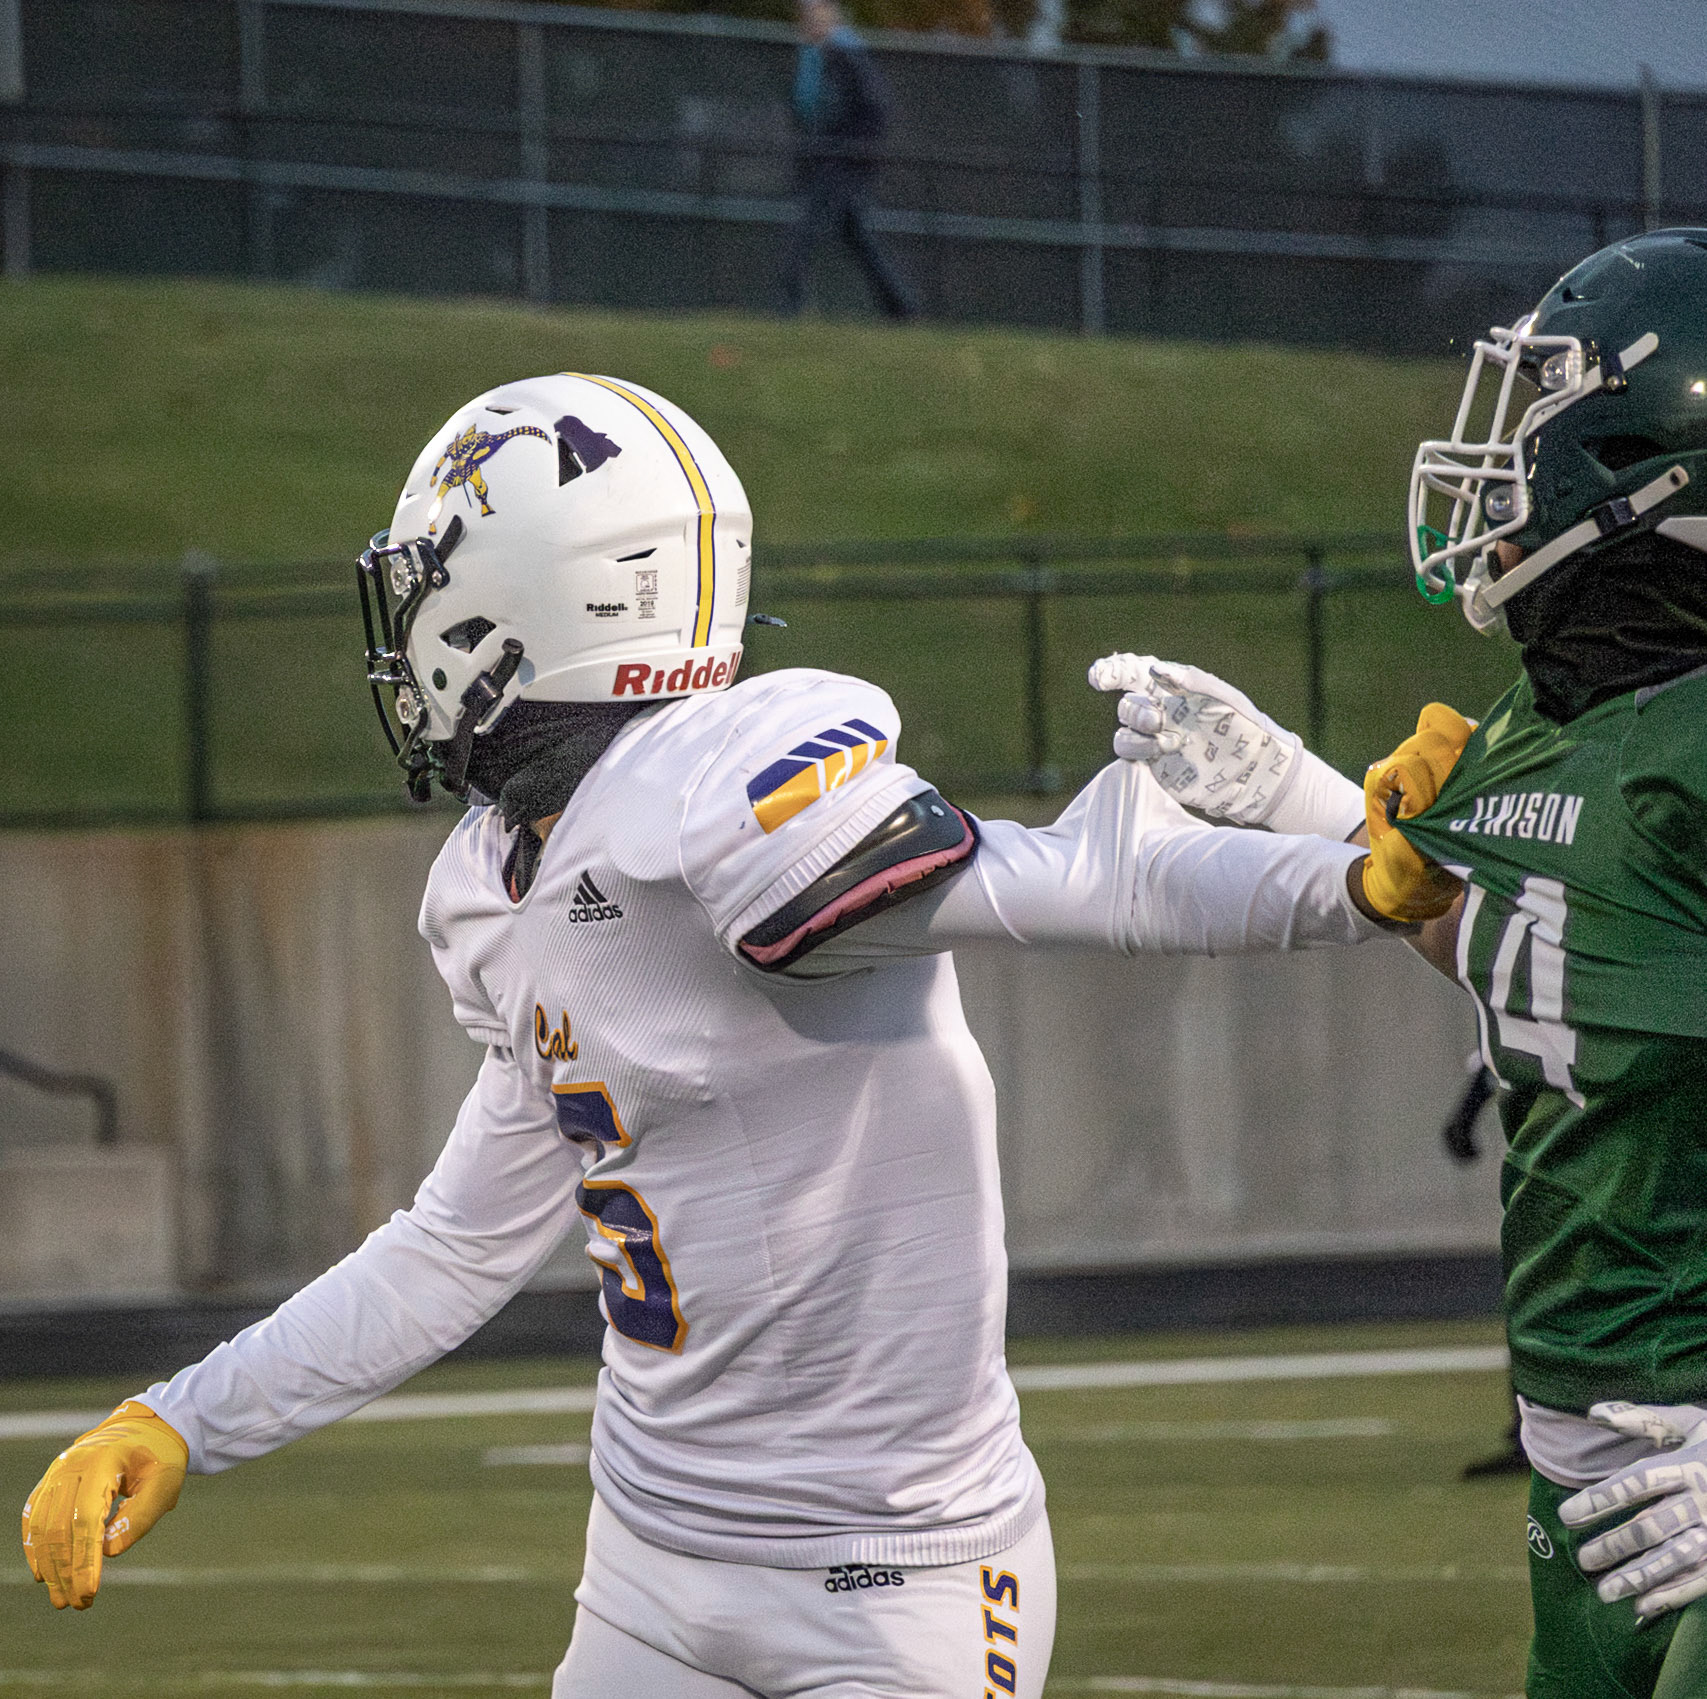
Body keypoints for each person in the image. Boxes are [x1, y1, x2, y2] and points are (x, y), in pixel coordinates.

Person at [20, 373, 1418, 1697]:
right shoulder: (490, 881)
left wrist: (1345, 870)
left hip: (895, 1580)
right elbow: (456, 1241)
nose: (402, 644)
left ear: (528, 612)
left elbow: (1086, 880)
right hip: (651, 1559)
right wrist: (184, 1415)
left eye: (429, 595)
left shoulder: (713, 793)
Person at [1090, 227, 1707, 1698]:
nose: (1502, 472)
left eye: (1544, 426)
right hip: (1588, 1461)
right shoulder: (1541, 718)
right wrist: (1297, 792)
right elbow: (1544, 956)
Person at [780, 0, 919, 321]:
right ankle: (901, 307)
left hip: (844, 162)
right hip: (831, 160)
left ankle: (787, 307)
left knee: (804, 230)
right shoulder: (817, 56)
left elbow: (873, 108)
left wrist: (852, 150)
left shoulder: (846, 54)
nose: (808, 22)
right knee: (856, 236)